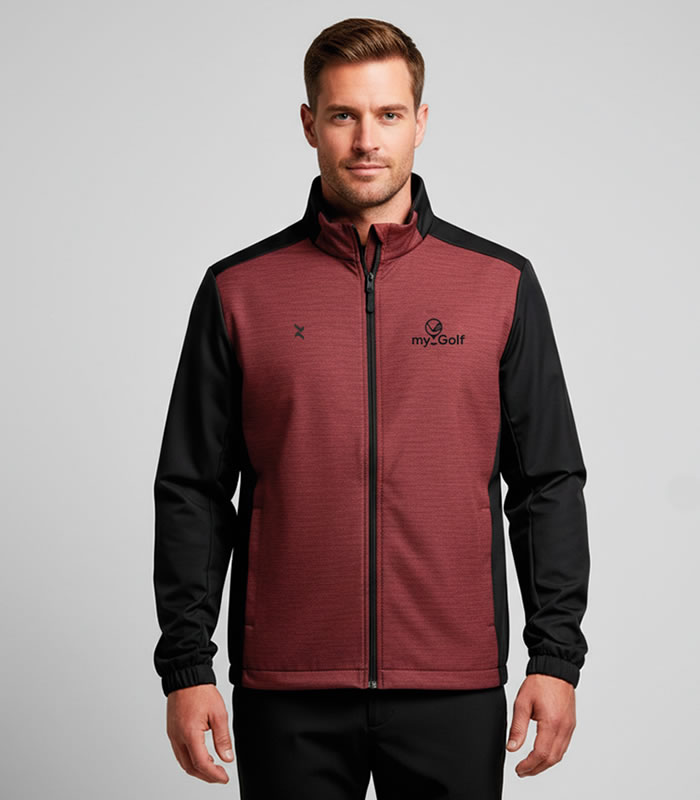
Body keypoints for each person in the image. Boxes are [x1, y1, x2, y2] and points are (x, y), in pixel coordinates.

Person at [152, 16, 590, 799]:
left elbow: (548, 482)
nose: (366, 140)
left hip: (453, 681)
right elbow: (193, 488)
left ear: (420, 122)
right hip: (287, 686)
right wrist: (187, 666)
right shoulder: (238, 290)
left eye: (388, 114)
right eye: (343, 115)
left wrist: (555, 658)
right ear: (308, 124)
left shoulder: (499, 285)